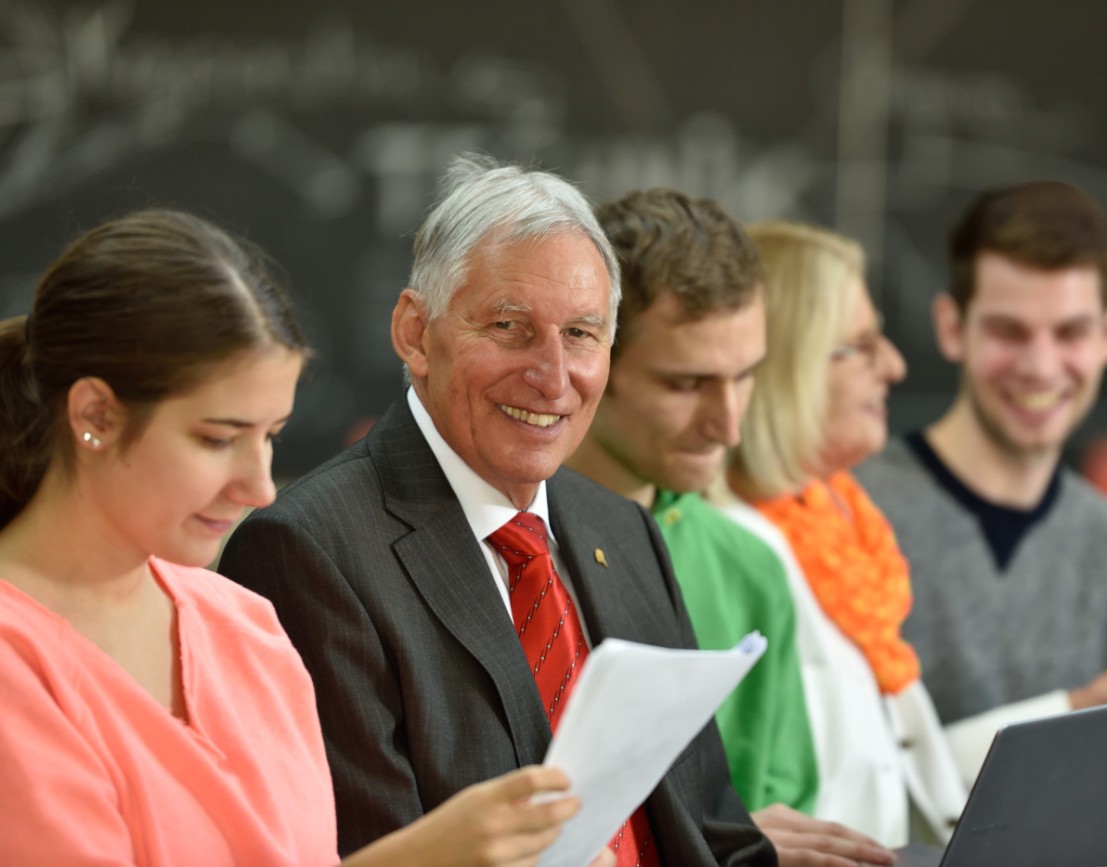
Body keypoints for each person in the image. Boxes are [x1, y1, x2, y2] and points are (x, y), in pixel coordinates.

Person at [0, 209, 608, 866]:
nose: (258, 486)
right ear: (95, 415)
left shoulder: (242, 623)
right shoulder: (17, 663)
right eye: (217, 438)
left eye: (269, 436)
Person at [219, 156, 775, 865]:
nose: (551, 377)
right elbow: (370, 846)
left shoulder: (623, 530)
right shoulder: (308, 551)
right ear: (416, 334)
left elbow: (715, 834)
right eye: (510, 326)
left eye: (580, 334)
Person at [567, 188, 896, 867]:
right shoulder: (506, 552)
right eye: (686, 384)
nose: (729, 425)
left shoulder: (749, 566)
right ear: (592, 360)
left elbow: (790, 816)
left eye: (746, 377)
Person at [853, 182, 1107, 761]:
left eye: (1070, 332)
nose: (1040, 367)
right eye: (1008, 332)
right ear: (951, 326)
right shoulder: (850, 514)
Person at [725, 221, 968, 846]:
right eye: (859, 345)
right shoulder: (734, 548)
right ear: (784, 366)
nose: (894, 363)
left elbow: (896, 769)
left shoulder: (848, 524)